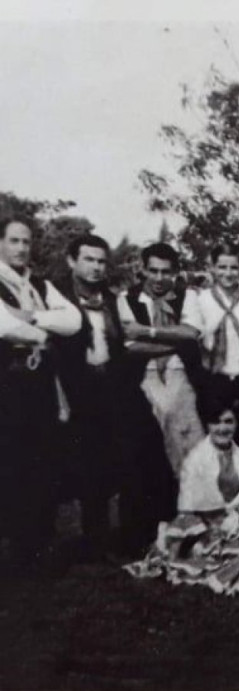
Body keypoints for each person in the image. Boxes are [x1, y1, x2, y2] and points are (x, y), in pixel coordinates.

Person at [56, 234, 174, 558]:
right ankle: (94, 541)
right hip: (77, 392)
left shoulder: (111, 300)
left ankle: (130, 536)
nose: (96, 267)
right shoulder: (57, 298)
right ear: (72, 261)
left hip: (114, 389)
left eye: (100, 261)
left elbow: (126, 344)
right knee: (87, 468)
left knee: (129, 459)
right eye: (88, 260)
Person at [124, 395, 239, 597]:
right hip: (209, 528)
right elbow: (187, 509)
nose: (222, 428)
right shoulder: (196, 459)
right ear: (207, 425)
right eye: (216, 422)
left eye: (228, 421)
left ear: (236, 424)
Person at [0, 216, 81, 569]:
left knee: (43, 458)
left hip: (41, 382)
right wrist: (43, 329)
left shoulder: (40, 285)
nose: (21, 248)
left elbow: (73, 320)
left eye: (26, 242)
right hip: (7, 381)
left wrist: (31, 317)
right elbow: (4, 327)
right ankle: (17, 546)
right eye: (14, 241)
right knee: (11, 461)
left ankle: (39, 542)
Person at [118, 242, 205, 475]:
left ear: (175, 272)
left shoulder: (187, 295)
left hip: (181, 373)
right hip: (146, 375)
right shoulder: (127, 297)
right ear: (143, 269)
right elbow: (129, 346)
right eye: (153, 270)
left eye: (165, 272)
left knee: (189, 440)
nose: (158, 278)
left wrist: (148, 332)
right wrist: (176, 343)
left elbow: (191, 333)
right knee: (152, 443)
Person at [196, 243, 239, 459]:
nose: (228, 273)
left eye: (233, 267)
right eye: (222, 267)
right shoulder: (201, 301)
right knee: (214, 441)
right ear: (213, 268)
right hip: (215, 379)